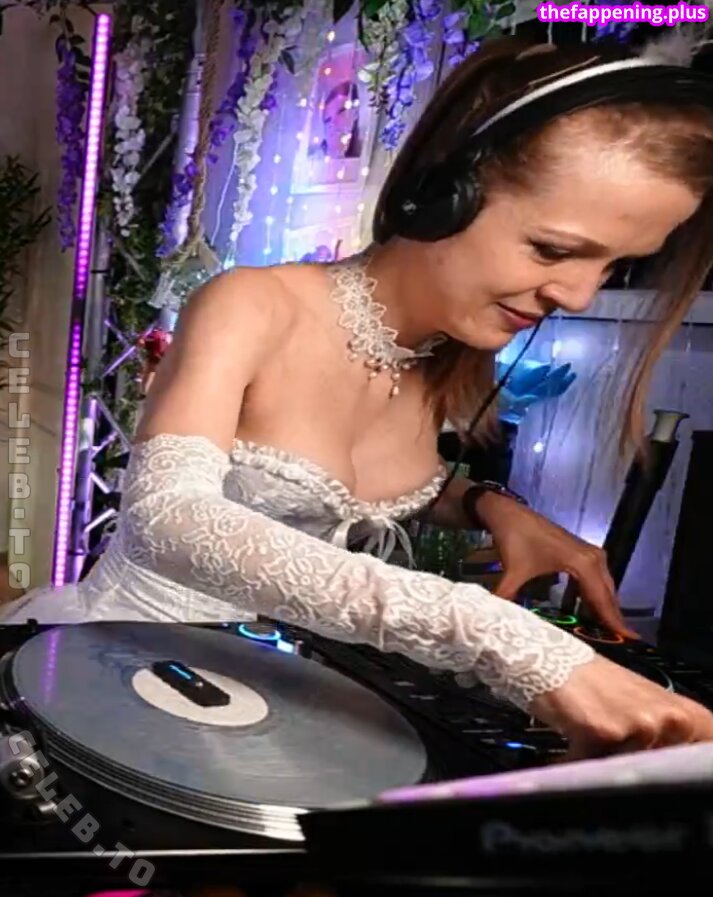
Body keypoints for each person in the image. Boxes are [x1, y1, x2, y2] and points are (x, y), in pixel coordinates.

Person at [5, 34, 713, 761]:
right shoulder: (252, 304)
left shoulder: (447, 355)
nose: (579, 294)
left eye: (615, 266)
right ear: (442, 198)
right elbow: (169, 520)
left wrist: (488, 504)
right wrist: (490, 633)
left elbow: (355, 482)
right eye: (553, 250)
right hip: (114, 680)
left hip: (263, 700)